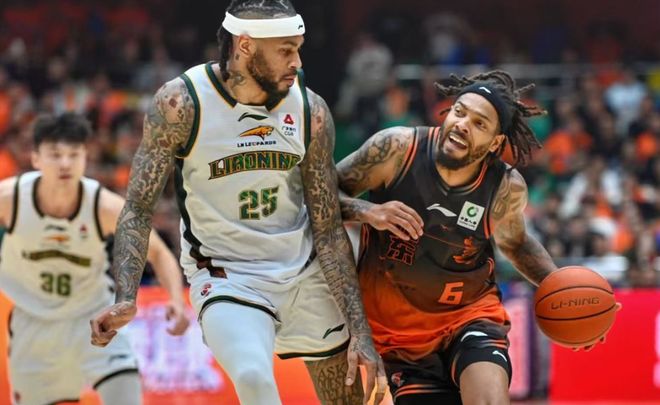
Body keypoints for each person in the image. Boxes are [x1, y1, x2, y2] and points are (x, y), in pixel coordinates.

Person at [90, 1, 386, 404]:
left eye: (298, 49)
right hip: (228, 275)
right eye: (286, 50)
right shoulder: (182, 103)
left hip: (303, 271)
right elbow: (139, 208)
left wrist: (360, 330)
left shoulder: (310, 109)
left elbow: (328, 226)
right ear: (245, 46)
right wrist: (126, 297)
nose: (297, 62)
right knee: (253, 376)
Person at [336, 70, 620, 404]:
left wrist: (568, 295)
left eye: (479, 123)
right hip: (399, 338)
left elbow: (516, 243)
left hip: (469, 315)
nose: (462, 124)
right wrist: (368, 211)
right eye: (459, 112)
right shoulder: (396, 149)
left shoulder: (505, 187)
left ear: (495, 143)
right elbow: (320, 196)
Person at [0, 112, 189, 405]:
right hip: (32, 322)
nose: (65, 163)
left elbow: (158, 252)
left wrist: (176, 300)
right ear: (35, 158)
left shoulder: (103, 206)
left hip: (93, 318)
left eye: (73, 154)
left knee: (125, 395)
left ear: (85, 157)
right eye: (55, 155)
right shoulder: (9, 199)